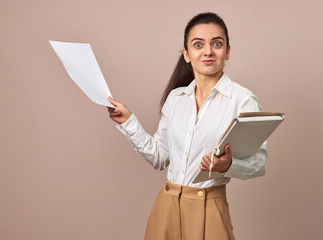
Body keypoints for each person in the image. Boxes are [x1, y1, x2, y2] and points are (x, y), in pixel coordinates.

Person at [107, 12, 267, 240]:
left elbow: (260, 163)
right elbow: (159, 158)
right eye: (198, 44)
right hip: (166, 206)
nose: (208, 51)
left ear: (227, 51)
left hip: (209, 207)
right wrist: (129, 122)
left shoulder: (242, 100)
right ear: (187, 54)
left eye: (217, 44)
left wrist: (229, 165)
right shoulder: (175, 99)